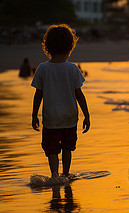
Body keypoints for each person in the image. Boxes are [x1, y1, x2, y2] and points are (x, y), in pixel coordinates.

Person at [31, 24, 90, 179]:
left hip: (51, 118)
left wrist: (34, 115)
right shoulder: (72, 69)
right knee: (67, 148)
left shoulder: (43, 68)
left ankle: (54, 175)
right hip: (69, 118)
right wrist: (87, 115)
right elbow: (79, 95)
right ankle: (66, 174)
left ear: (47, 46)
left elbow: (38, 95)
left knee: (51, 149)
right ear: (70, 46)